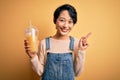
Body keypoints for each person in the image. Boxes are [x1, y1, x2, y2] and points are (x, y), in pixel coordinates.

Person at [24, 4, 91, 80]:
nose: (66, 25)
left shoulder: (77, 43)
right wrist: (33, 57)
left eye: (70, 22)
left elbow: (77, 73)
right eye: (62, 20)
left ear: (73, 24)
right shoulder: (44, 43)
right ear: (55, 20)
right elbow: (40, 72)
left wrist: (81, 51)